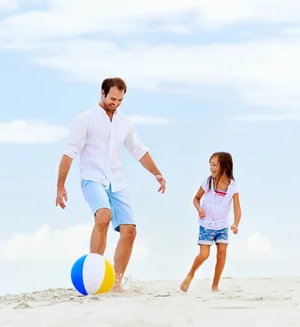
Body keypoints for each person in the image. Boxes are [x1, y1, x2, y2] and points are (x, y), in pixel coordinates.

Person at [55, 77, 166, 293]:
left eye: (120, 100)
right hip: (92, 179)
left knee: (130, 231)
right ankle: (94, 278)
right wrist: (61, 186)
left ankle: (116, 283)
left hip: (117, 182)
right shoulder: (85, 119)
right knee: (103, 216)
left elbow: (139, 150)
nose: (116, 103)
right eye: (112, 98)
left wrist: (157, 173)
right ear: (103, 93)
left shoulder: (124, 122)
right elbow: (69, 153)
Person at [180, 151, 241, 292]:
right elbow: (196, 198)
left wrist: (236, 223)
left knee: (222, 253)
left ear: (225, 166)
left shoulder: (233, 186)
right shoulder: (208, 182)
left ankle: (215, 286)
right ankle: (190, 275)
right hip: (206, 224)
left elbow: (237, 208)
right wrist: (199, 208)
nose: (211, 168)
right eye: (210, 165)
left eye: (214, 164)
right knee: (204, 255)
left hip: (222, 225)